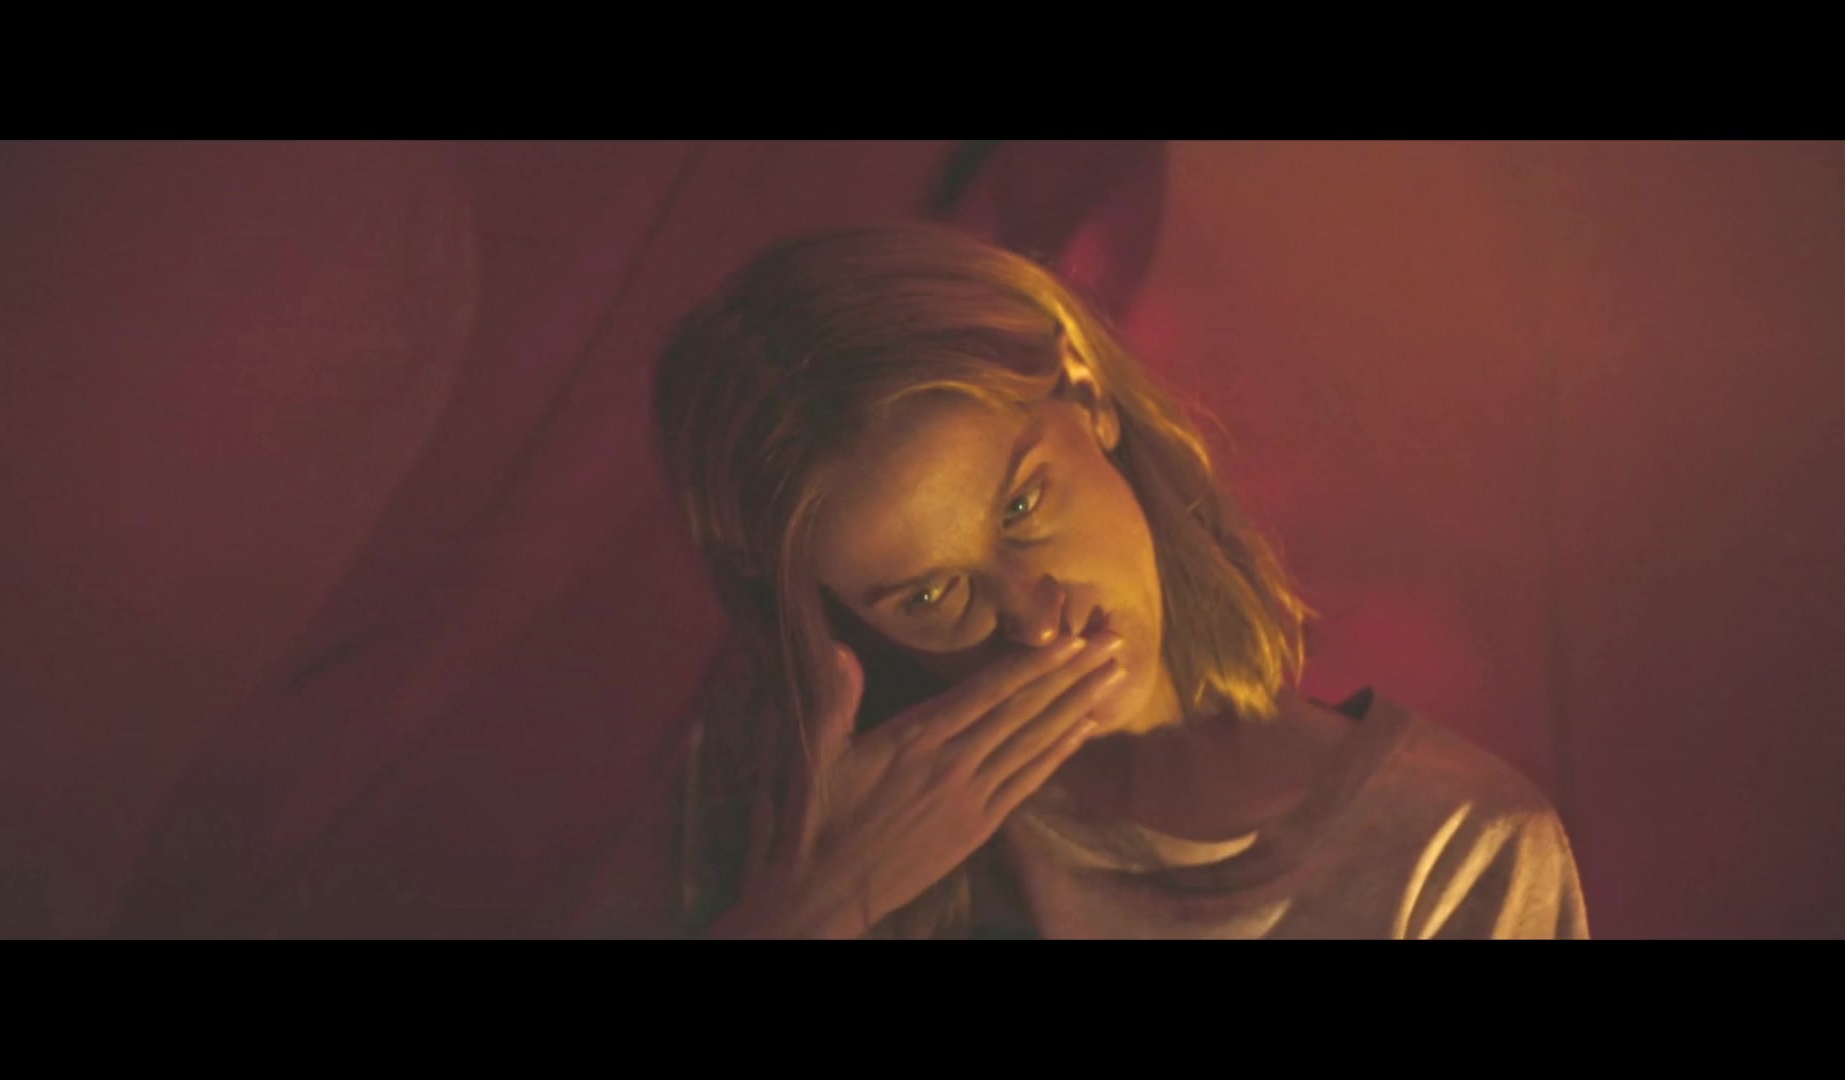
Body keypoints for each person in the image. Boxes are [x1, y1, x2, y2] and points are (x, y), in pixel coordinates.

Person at [573, 222, 1589, 939]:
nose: (1034, 618)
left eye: (1024, 506)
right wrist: (816, 906)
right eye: (929, 597)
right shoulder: (779, 799)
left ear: (1086, 390)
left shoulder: (1450, 851)